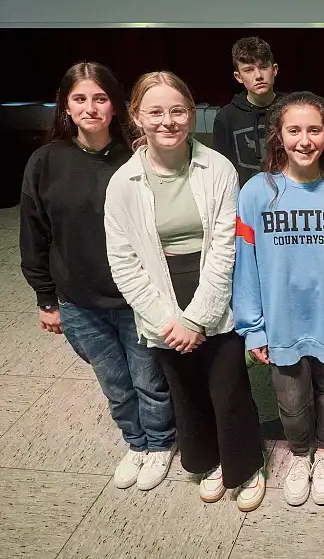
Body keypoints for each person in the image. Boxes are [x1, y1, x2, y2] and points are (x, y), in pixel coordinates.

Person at [105, 71, 266, 512]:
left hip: (212, 291)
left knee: (227, 388)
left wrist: (197, 318)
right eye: (155, 112)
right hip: (159, 298)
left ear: (192, 114)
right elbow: (124, 261)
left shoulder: (218, 168)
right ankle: (209, 460)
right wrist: (167, 321)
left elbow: (225, 250)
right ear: (136, 117)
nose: (168, 121)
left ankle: (247, 465)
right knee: (186, 390)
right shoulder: (123, 182)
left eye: (177, 111)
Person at [20, 62, 177, 491]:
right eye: (80, 99)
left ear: (116, 106)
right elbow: (34, 233)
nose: (90, 108)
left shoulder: (139, 158)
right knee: (114, 383)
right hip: (78, 301)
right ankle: (137, 443)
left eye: (100, 98)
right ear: (66, 107)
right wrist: (46, 300)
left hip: (136, 299)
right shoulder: (45, 161)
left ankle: (161, 443)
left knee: (149, 380)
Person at [233, 92, 324, 507]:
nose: (305, 140)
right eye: (294, 130)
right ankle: (299, 454)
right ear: (279, 135)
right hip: (281, 324)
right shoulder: (258, 192)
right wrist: (253, 326)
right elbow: (247, 265)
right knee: (291, 401)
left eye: (314, 129)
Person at [213, 37, 285, 186]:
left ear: (275, 69)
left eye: (264, 67)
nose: (258, 76)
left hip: (289, 194)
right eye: (249, 70)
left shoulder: (292, 109)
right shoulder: (226, 117)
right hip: (246, 196)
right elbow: (221, 170)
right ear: (238, 77)